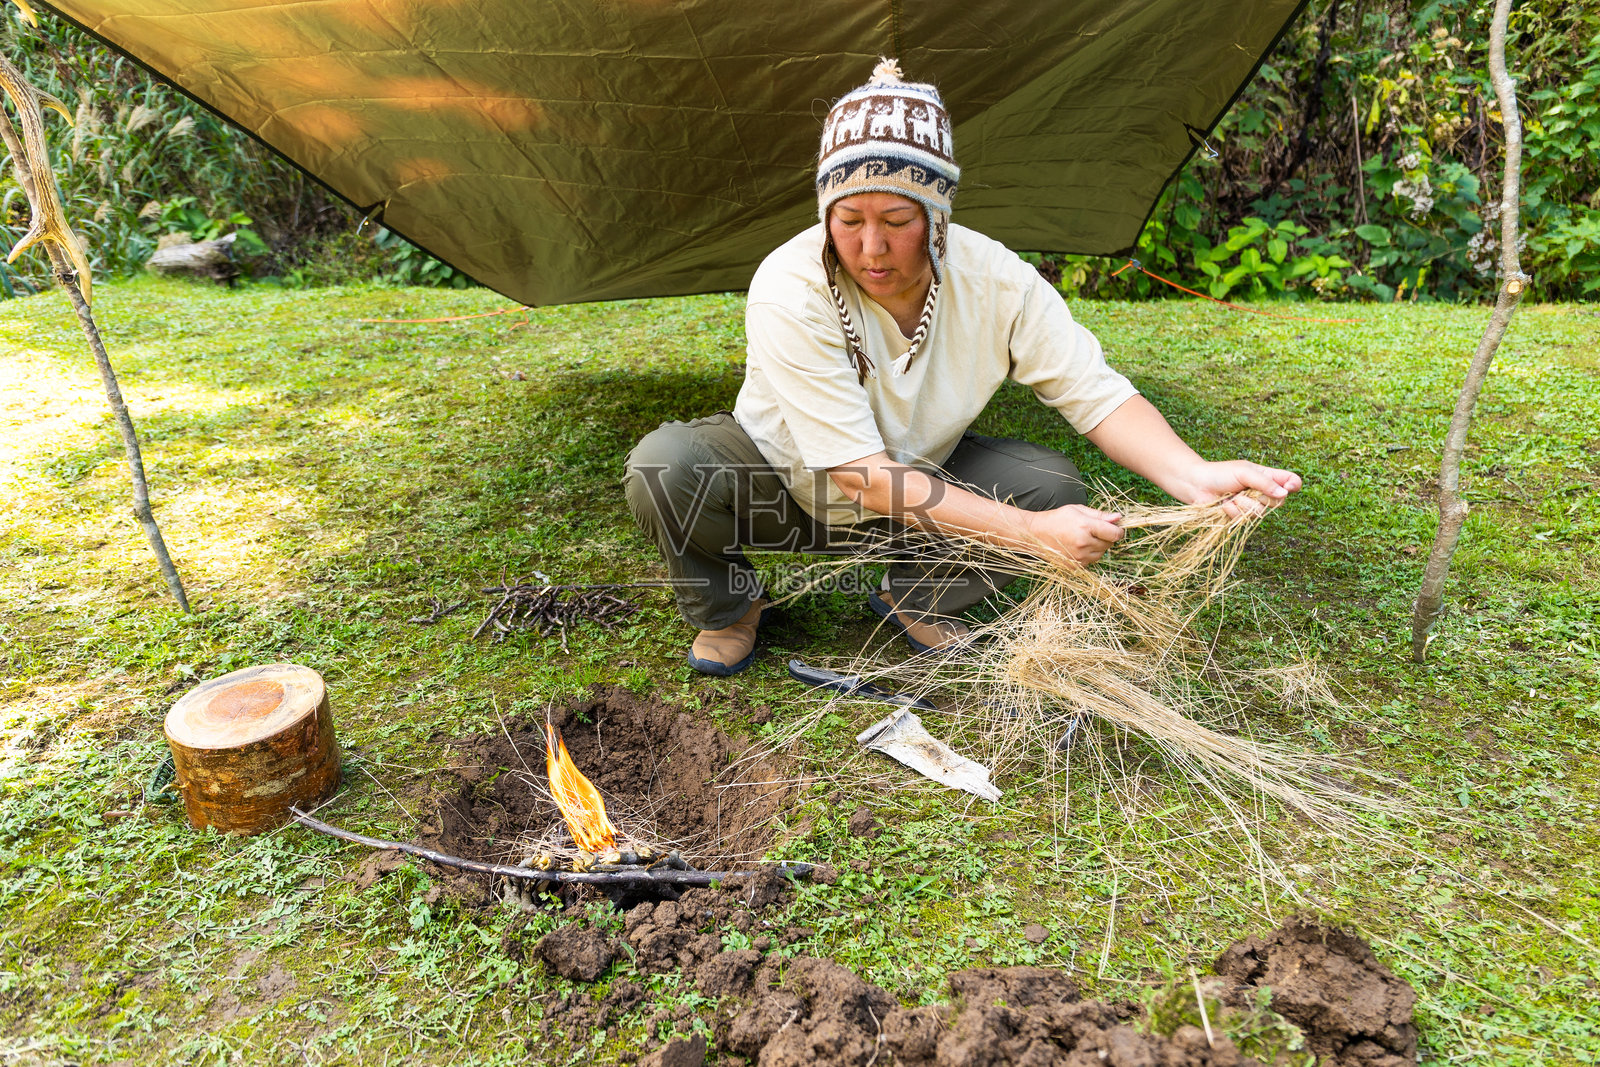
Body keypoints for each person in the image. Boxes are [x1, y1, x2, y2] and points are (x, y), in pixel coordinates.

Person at [624, 59, 1301, 676]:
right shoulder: (789, 284)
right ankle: (732, 606)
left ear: (939, 215)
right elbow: (856, 473)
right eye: (848, 219)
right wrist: (1034, 538)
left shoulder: (996, 280)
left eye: (896, 217)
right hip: (782, 487)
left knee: (1048, 482)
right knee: (666, 467)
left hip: (918, 493)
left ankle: (914, 593)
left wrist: (1192, 473)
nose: (871, 246)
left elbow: (1094, 394)